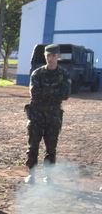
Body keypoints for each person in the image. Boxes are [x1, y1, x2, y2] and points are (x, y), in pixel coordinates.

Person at [25, 43, 71, 184]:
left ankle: (48, 176)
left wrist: (48, 94)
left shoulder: (64, 74)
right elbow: (35, 94)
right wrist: (54, 94)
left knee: (51, 147)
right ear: (45, 56)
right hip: (36, 116)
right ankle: (31, 174)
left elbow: (66, 94)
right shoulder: (37, 74)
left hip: (53, 117)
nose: (50, 58)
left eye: (53, 56)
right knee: (33, 146)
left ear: (58, 57)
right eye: (48, 56)